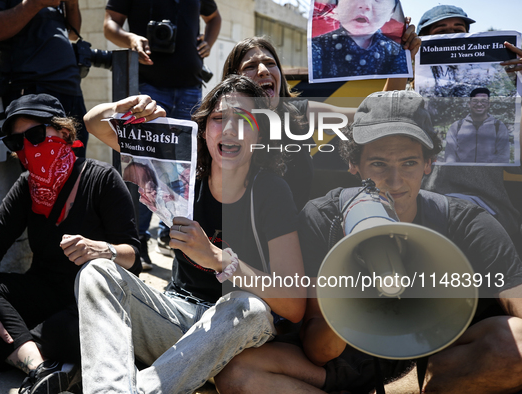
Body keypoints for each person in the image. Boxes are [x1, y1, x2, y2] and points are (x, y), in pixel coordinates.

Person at [215, 90, 522, 393]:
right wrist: (352, 294)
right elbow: (318, 350)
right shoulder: (322, 219)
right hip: (353, 361)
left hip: (435, 361)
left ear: (429, 164)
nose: (395, 180)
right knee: (239, 374)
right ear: (354, 163)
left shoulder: (467, 223)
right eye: (378, 164)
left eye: (409, 163)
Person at [76, 75, 305, 394]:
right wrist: (126, 107)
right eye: (218, 118)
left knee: (247, 306)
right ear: (203, 128)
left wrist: (217, 259)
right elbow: (94, 124)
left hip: (235, 340)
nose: (228, 130)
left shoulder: (270, 191)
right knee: (96, 273)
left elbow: (293, 303)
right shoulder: (180, 178)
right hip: (177, 326)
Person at [0, 94, 142, 394]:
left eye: (36, 135)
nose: (28, 148)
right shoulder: (28, 186)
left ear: (63, 132)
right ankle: (41, 367)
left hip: (92, 301)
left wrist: (103, 250)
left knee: (62, 332)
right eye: (17, 142)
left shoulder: (101, 179)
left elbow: (133, 258)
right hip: (44, 292)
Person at [221, 35, 419, 210]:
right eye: (250, 66)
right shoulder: (219, 128)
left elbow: (375, 114)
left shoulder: (298, 113)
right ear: (232, 80)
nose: (263, 70)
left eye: (270, 63)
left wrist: (399, 58)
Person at [102, 0, 222, 265]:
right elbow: (110, 25)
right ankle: (138, 241)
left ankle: (175, 238)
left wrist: (208, 43)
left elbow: (214, 18)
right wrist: (130, 37)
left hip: (191, 87)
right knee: (144, 164)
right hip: (148, 87)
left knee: (186, 167)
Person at [414, 5, 522, 253]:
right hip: (425, 211)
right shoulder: (408, 95)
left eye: (458, 30)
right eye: (441, 30)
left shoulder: (500, 102)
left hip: (490, 213)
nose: (451, 34)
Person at [0, 0, 89, 157]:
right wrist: (35, 3)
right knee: (44, 172)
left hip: (70, 88)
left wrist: (72, 4)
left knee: (77, 171)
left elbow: (73, 33)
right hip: (32, 91)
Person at [311, 0, 408, 80]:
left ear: (391, 13)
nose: (364, 5)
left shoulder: (397, 51)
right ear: (337, 5)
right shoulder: (316, 48)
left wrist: (409, 52)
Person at [444, 87, 510, 163]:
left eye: (483, 101)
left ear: (488, 104)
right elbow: (450, 154)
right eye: (475, 101)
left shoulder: (498, 126)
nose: (479, 104)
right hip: (462, 173)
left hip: (489, 173)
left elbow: (503, 156)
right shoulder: (456, 126)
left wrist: (493, 172)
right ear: (469, 104)